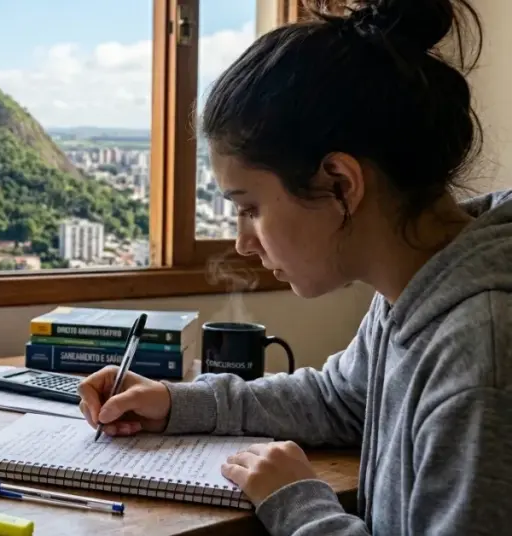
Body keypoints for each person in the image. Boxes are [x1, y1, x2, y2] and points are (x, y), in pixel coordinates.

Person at [77, 0, 512, 534]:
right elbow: (336, 399)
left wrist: (299, 504)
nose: (242, 243)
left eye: (250, 208)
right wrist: (175, 402)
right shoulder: (418, 287)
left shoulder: (481, 357)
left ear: (339, 183)